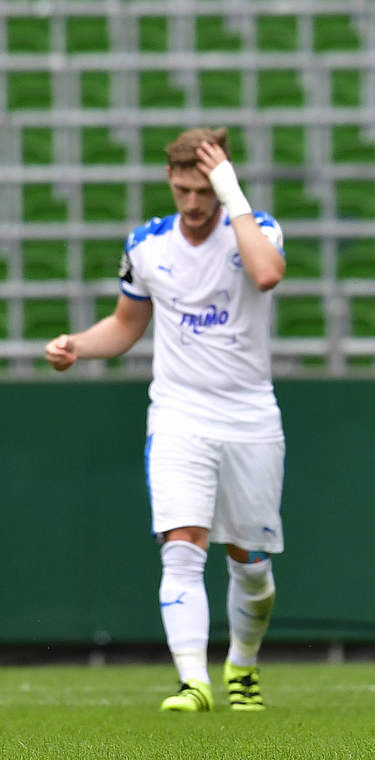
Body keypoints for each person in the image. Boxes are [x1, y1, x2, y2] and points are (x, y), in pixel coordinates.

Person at [45, 127, 287, 713]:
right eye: (183, 189)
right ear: (169, 183)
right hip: (178, 414)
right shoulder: (147, 245)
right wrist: (78, 343)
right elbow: (127, 324)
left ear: (220, 184)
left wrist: (232, 192)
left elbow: (267, 275)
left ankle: (242, 666)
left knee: (249, 563)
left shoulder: (255, 228)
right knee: (182, 545)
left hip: (250, 415)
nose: (193, 202)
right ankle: (192, 682)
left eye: (203, 188)